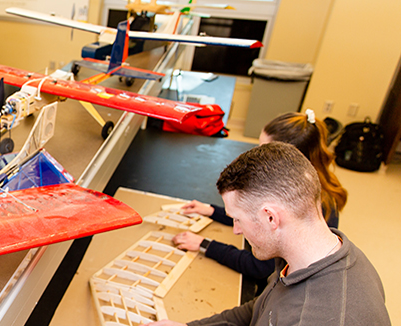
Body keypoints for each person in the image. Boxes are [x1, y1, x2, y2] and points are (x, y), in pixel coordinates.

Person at [141, 142, 389, 326]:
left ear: (271, 217)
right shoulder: (313, 254)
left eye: (238, 219)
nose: (236, 229)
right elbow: (259, 310)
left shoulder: (317, 317)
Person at [172, 110, 348, 280]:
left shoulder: (302, 203)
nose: (257, 155)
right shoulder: (301, 183)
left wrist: (206, 245)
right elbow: (252, 214)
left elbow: (261, 267)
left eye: (264, 149)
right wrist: (212, 211)